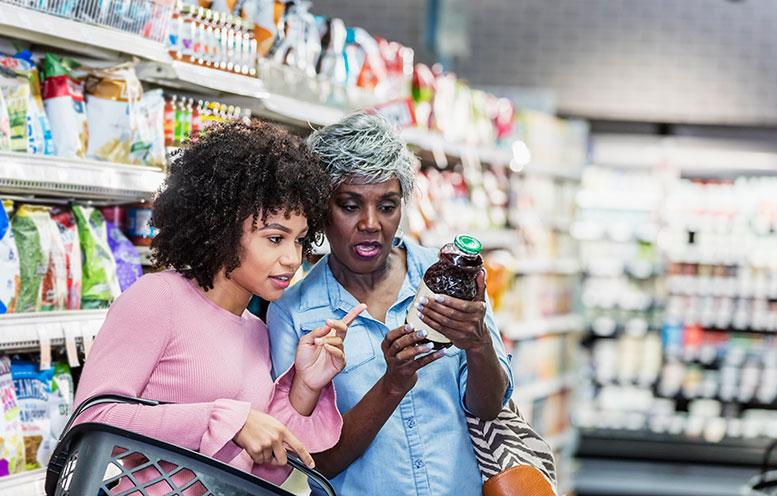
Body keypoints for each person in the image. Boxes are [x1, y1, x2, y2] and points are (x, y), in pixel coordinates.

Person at [73, 121, 351, 493]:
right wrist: (224, 420)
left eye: (300, 241)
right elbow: (92, 420)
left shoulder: (256, 330)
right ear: (222, 228)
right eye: (274, 238)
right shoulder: (158, 299)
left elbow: (267, 464)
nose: (292, 258)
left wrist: (305, 386)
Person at [268, 112, 514, 495]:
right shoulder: (295, 313)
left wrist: (479, 344)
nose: (371, 223)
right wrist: (393, 384)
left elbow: (489, 407)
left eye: (387, 205)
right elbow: (316, 461)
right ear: (319, 209)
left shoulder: (447, 281)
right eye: (349, 205)